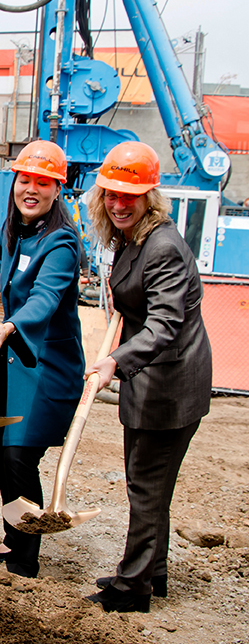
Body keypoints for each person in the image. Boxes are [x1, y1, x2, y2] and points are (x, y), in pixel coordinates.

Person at [84, 142, 212, 613]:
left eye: (129, 196)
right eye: (112, 194)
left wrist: (114, 361)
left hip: (170, 385)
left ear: (148, 198)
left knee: (146, 484)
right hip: (151, 377)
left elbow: (164, 325)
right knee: (148, 482)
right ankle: (151, 572)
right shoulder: (132, 238)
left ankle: (132, 588)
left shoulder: (162, 248)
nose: (119, 204)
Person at [0, 140, 84, 579]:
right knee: (5, 454)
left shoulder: (61, 242)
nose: (31, 189)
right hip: (14, 363)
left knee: (21, 457)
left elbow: (45, 298)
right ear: (15, 183)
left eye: (43, 182)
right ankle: (12, 538)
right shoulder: (13, 227)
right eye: (25, 180)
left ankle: (26, 558)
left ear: (57, 189)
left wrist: (10, 325)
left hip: (45, 367)